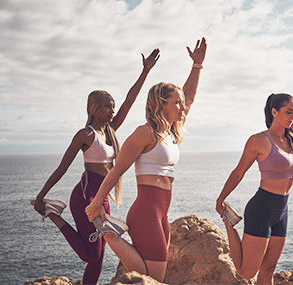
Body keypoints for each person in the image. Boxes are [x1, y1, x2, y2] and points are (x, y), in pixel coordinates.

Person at [31, 48, 160, 285]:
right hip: (85, 198)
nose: (112, 111)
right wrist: (41, 197)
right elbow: (62, 167)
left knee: (98, 259)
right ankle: (53, 214)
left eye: (113, 107)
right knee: (91, 254)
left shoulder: (109, 132)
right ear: (94, 108)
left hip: (102, 198)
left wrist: (145, 71)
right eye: (108, 107)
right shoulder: (85, 135)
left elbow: (130, 100)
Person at [85, 37, 207, 282]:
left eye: (182, 104)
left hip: (162, 212)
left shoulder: (171, 131)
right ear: (161, 104)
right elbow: (118, 168)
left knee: (152, 277)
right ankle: (108, 233)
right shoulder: (146, 132)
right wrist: (97, 202)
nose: (182, 108)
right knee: (156, 278)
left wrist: (197, 66)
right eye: (176, 103)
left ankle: (109, 231)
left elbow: (190, 97)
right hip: (146, 212)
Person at [216, 50, 293, 284]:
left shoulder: (291, 138)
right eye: (288, 112)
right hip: (262, 207)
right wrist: (221, 199)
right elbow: (239, 172)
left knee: (268, 271)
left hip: (282, 209)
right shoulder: (258, 140)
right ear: (274, 112)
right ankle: (229, 223)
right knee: (246, 272)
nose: (292, 116)